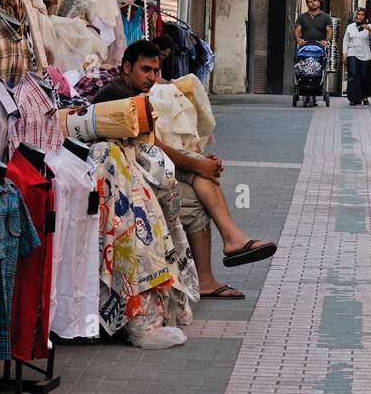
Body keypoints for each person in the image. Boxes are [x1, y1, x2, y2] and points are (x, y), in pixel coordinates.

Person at [92, 41, 277, 300]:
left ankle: (229, 244)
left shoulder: (134, 93)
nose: (152, 77)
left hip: (142, 167)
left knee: (199, 176)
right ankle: (221, 256)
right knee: (196, 190)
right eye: (145, 70)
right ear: (126, 67)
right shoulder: (119, 96)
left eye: (156, 71)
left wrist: (199, 162)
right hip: (126, 180)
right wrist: (200, 164)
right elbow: (154, 146)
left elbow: (153, 146)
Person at [342, 6, 371, 106]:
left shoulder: (368, 26)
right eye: (358, 14)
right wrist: (344, 54)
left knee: (364, 77)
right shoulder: (350, 27)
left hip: (365, 55)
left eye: (362, 15)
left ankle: (364, 96)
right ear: (355, 15)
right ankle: (353, 98)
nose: (360, 16)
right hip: (352, 53)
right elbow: (346, 40)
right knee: (353, 76)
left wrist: (370, 30)